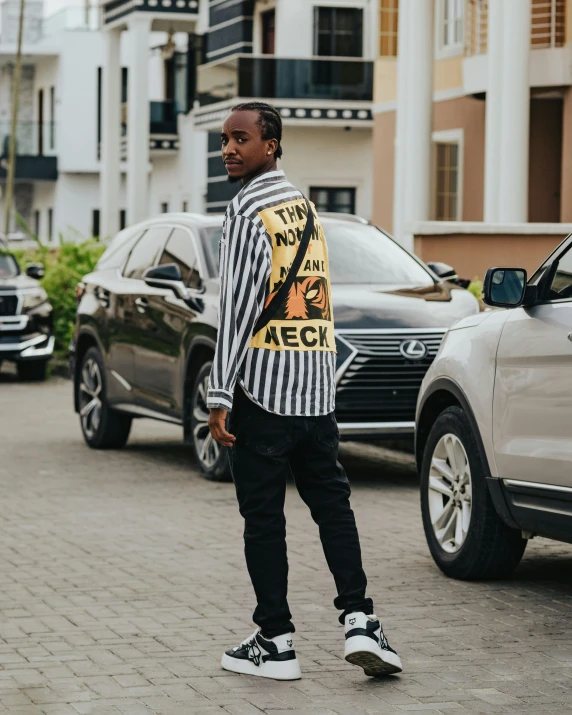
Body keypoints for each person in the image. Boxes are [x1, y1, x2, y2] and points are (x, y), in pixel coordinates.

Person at [207, 101, 402, 681]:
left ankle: (275, 640)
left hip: (263, 394)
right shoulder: (304, 206)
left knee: (264, 519)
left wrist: (220, 394)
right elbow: (319, 298)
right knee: (333, 508)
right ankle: (361, 621)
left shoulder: (245, 210)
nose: (229, 148)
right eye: (225, 140)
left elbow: (237, 308)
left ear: (272, 145)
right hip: (315, 393)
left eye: (241, 138)